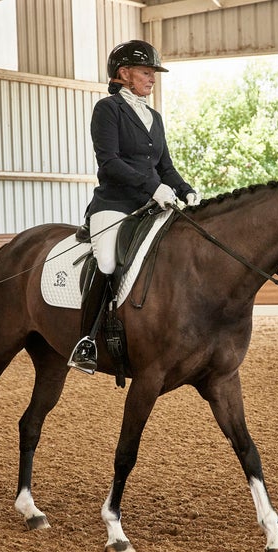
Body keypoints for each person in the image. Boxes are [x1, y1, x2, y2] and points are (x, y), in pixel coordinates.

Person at [68, 39, 200, 373]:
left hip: (152, 204)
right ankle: (86, 341)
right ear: (124, 74)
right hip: (114, 204)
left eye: (153, 73)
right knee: (109, 260)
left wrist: (185, 190)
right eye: (146, 72)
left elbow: (165, 166)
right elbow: (109, 163)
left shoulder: (153, 116)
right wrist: (153, 186)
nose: (152, 79)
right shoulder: (107, 110)